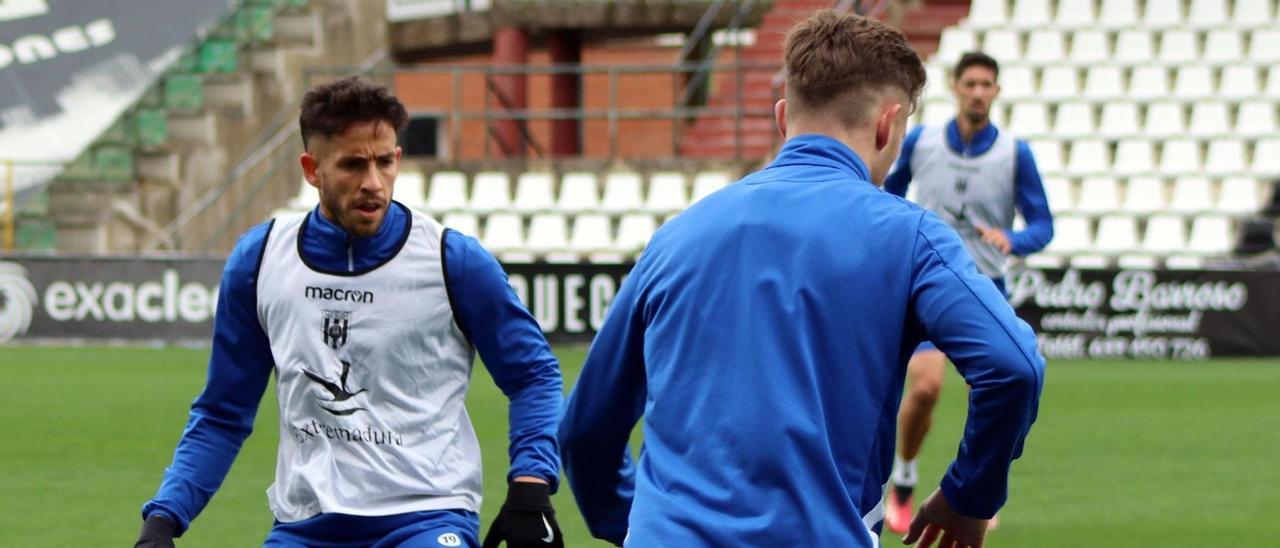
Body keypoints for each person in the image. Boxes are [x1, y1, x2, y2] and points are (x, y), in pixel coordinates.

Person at [558, 11, 1045, 548]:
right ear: (888, 126)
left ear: (783, 116)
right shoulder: (909, 236)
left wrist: (630, 524)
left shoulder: (677, 236)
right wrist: (968, 495)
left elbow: (586, 430)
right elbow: (1013, 366)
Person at [135, 76, 565, 548]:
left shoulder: (453, 261)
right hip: (305, 525)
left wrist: (531, 482)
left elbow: (533, 375)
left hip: (425, 517)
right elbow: (222, 412)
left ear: (398, 158)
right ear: (311, 169)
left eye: (385, 162)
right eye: (353, 165)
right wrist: (165, 517)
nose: (373, 183)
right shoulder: (260, 261)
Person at [881, 51, 1054, 535]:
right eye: (971, 83)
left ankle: (978, 486)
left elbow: (1042, 224)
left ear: (996, 92)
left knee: (1001, 389)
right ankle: (905, 478)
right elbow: (885, 194)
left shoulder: (1015, 153)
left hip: (985, 288)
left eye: (987, 85)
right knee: (928, 387)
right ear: (956, 87)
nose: (979, 92)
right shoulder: (922, 141)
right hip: (928, 284)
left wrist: (1014, 239)